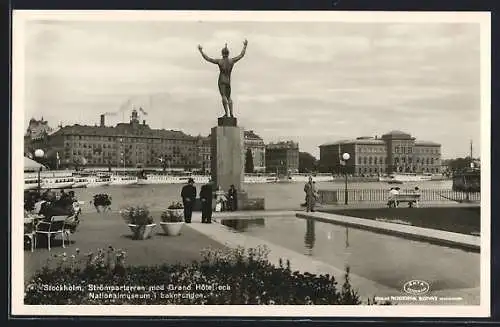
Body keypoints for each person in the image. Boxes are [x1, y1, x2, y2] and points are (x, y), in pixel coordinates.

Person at [198, 39, 248, 118]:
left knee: (223, 96)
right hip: (228, 80)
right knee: (229, 97)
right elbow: (241, 55)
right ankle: (231, 113)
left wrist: (201, 51)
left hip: (221, 80)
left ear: (222, 53)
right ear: (228, 53)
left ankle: (226, 113)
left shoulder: (220, 61)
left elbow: (208, 59)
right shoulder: (232, 61)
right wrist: (245, 46)